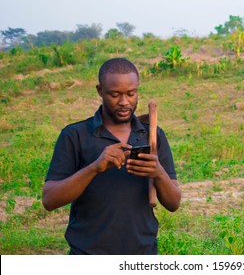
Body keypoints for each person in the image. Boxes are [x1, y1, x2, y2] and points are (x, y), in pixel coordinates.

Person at [42, 57, 181, 255]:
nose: (124, 102)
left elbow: (174, 203)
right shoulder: (75, 135)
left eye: (131, 94)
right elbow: (49, 200)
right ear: (100, 91)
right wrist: (94, 168)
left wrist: (158, 173)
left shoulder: (152, 136)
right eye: (115, 94)